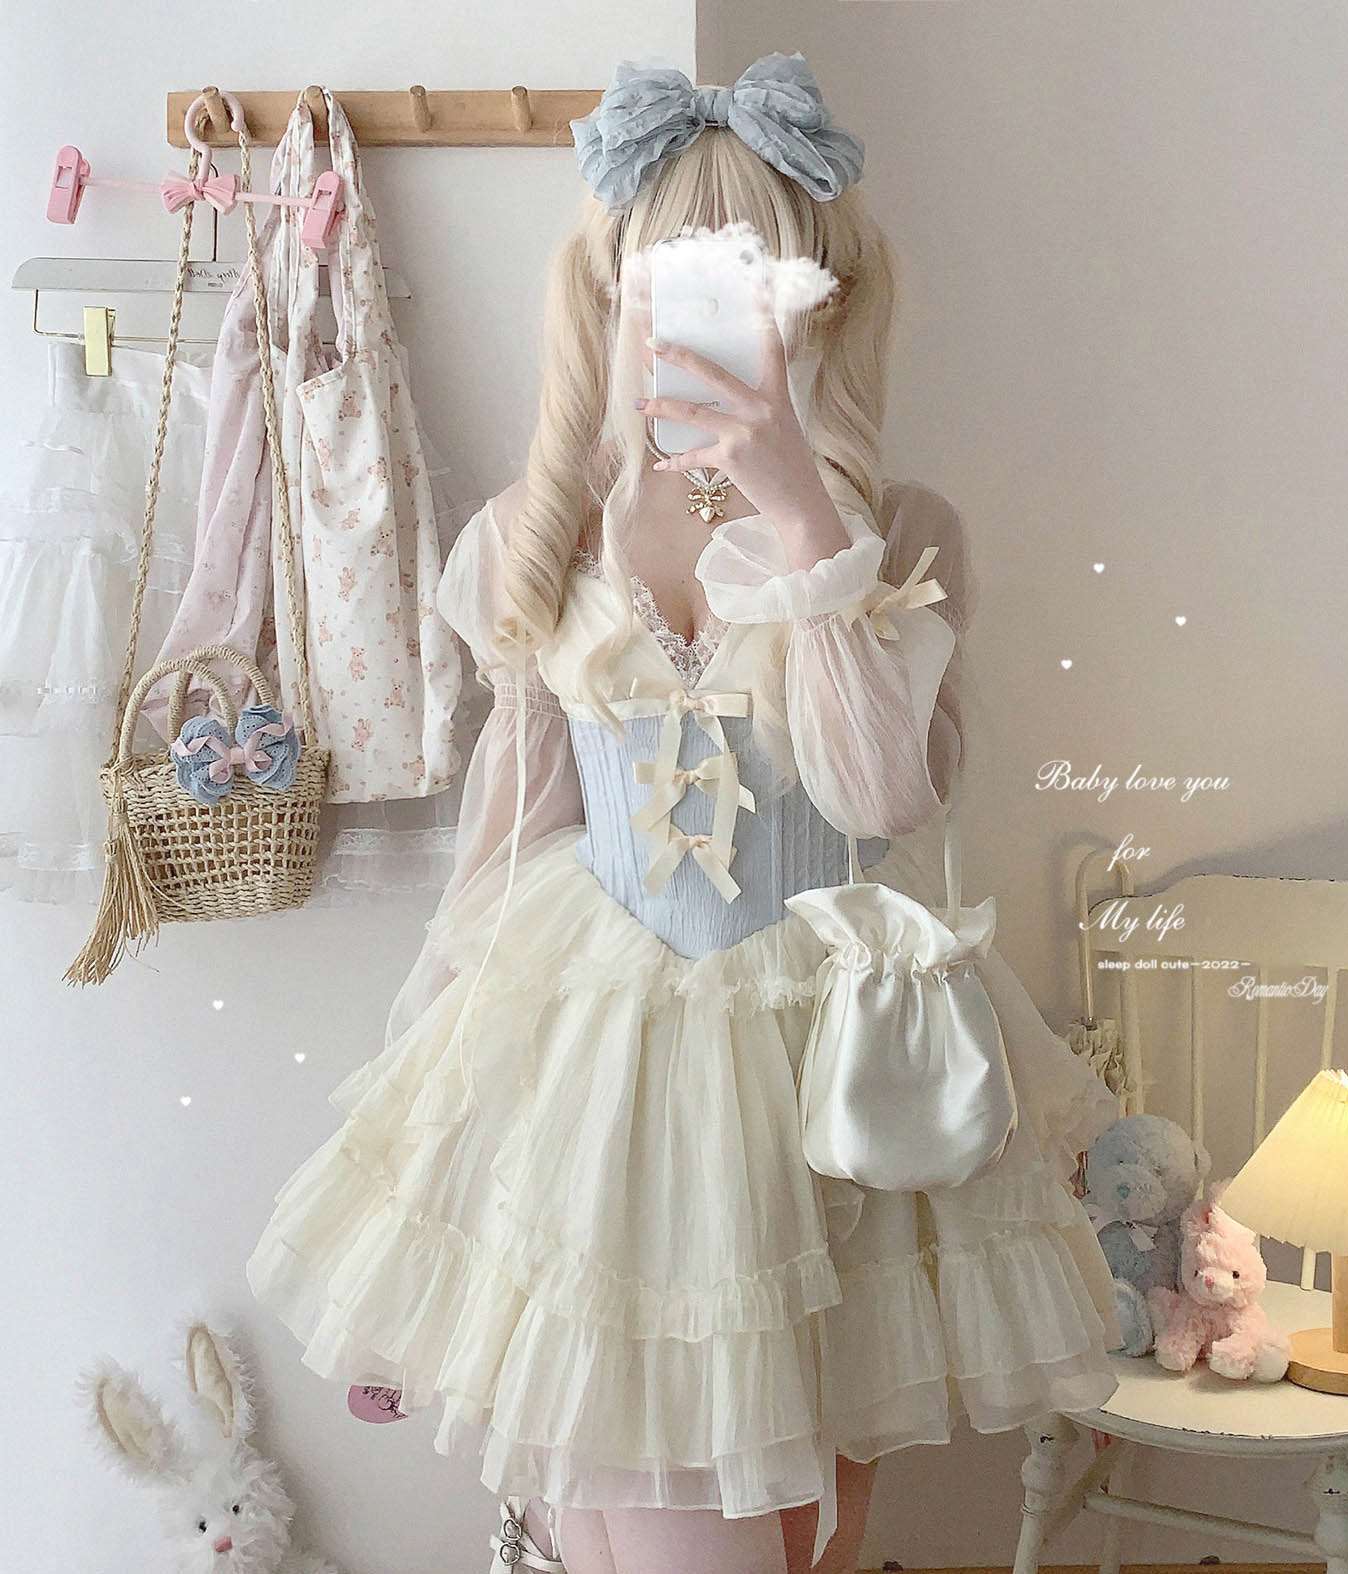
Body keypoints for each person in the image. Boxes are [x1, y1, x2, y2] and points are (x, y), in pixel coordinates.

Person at [246, 52, 1120, 1574]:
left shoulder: (897, 533)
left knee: (817, 1521)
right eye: (676, 279)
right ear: (613, 289)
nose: (710, 317)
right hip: (607, 1073)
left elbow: (881, 795)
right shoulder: (534, 540)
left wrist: (800, 513)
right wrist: (420, 1139)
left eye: (755, 279)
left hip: (839, 1073)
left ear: (821, 296)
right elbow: (505, 846)